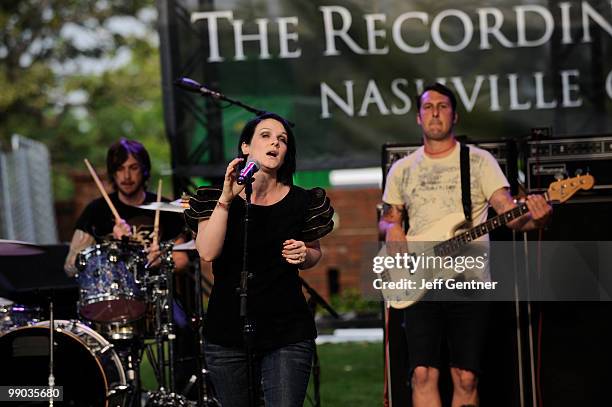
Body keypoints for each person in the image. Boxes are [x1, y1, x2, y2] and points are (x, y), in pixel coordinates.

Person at [379, 83, 552, 407]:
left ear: (454, 116)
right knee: (422, 374)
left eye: (442, 107)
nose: (435, 113)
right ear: (418, 117)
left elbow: (510, 214)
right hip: (418, 280)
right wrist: (392, 229)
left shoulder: (480, 161)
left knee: (466, 376)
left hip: (470, 280)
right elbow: (389, 218)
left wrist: (537, 219)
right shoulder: (402, 168)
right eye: (428, 107)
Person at [184, 112, 334, 407]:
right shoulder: (214, 197)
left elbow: (314, 251)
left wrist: (306, 254)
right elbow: (207, 252)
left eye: (282, 140)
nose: (275, 143)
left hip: (286, 331)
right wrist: (227, 199)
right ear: (245, 147)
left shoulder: (303, 201)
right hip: (227, 331)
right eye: (265, 136)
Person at [64, 138, 188, 276]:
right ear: (113, 173)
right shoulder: (95, 211)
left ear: (144, 170)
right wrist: (115, 247)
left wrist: (162, 261)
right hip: (112, 294)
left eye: (133, 168)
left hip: (155, 293)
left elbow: (182, 259)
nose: (127, 176)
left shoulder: (165, 209)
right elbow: (70, 267)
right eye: (120, 169)